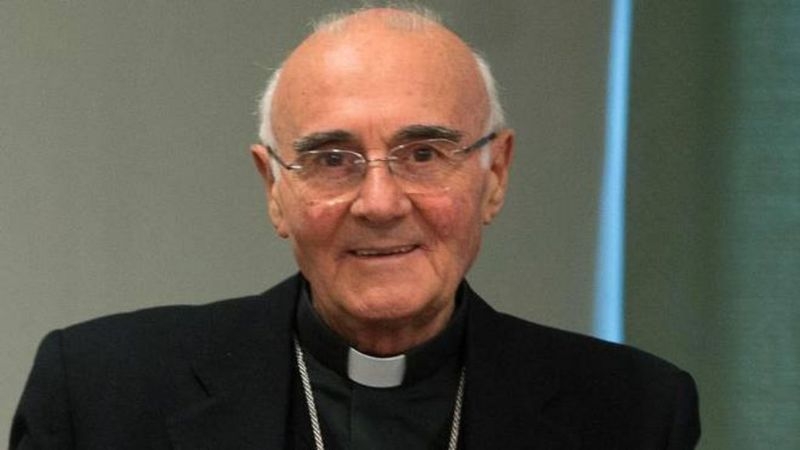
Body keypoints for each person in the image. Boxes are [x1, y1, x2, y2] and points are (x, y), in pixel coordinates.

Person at [10, 6, 700, 449]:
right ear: (274, 189)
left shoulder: (634, 413)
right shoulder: (98, 396)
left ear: (495, 175)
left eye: (423, 154)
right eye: (332, 160)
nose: (379, 202)